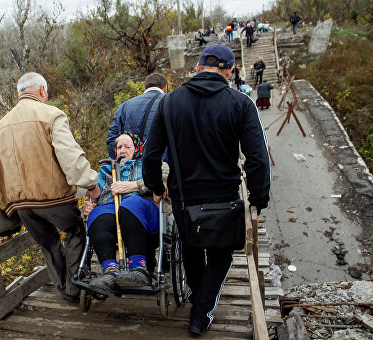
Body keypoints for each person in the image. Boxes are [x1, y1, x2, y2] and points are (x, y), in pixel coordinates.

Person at [142, 44, 271, 336]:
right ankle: (201, 312)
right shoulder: (241, 104)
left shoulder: (169, 102)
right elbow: (257, 157)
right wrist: (259, 197)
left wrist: (155, 185)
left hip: (183, 197)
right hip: (224, 198)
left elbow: (150, 154)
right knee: (221, 256)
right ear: (229, 71)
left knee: (190, 246)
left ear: (198, 68)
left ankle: (198, 299)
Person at [0, 72, 101, 303]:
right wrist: (91, 183)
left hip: (21, 205)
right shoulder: (52, 115)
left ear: (19, 94)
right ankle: (76, 287)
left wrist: (5, 193)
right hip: (55, 199)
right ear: (42, 91)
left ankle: (64, 289)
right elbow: (70, 157)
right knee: (74, 232)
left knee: (49, 243)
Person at [84, 133, 169, 295]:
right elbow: (95, 196)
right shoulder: (105, 169)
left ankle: (139, 269)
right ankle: (110, 273)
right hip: (111, 209)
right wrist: (89, 207)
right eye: (119, 147)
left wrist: (133, 186)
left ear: (136, 149)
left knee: (130, 203)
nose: (123, 150)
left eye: (127, 147)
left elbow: (164, 179)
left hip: (146, 212)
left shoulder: (150, 164)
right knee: (97, 215)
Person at [106, 73, 167, 159]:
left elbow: (112, 139)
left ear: (144, 88)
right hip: (161, 166)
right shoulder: (172, 104)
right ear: (165, 88)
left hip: (132, 168)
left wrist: (121, 165)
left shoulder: (124, 106)